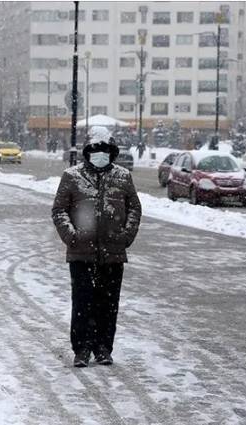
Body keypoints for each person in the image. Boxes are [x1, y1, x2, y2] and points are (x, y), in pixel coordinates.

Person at [51, 139, 142, 368]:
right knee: (82, 303)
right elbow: (59, 210)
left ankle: (103, 347)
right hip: (81, 253)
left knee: (108, 303)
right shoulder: (72, 176)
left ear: (112, 154)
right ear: (88, 154)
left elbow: (134, 208)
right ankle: (81, 348)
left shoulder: (122, 176)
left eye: (105, 152)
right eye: (95, 152)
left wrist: (125, 236)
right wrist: (71, 236)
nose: (100, 156)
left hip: (112, 252)